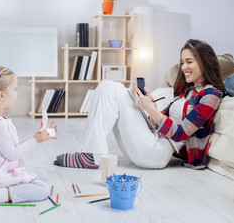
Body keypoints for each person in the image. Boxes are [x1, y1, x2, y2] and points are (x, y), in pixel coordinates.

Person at [54, 39, 225, 170]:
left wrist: (151, 109)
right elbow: (159, 122)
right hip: (149, 142)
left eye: (189, 62)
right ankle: (90, 153)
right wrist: (150, 107)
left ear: (203, 62)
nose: (183, 67)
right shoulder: (186, 91)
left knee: (113, 89)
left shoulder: (211, 95)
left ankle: (90, 155)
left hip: (157, 154)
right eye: (182, 62)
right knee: (108, 85)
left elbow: (181, 134)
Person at [0, 65, 56, 205]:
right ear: (1, 95)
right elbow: (13, 154)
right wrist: (35, 140)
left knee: (42, 174)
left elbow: (11, 147)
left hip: (2, 170)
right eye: (15, 89)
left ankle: (5, 189)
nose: (17, 93)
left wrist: (36, 136)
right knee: (42, 189)